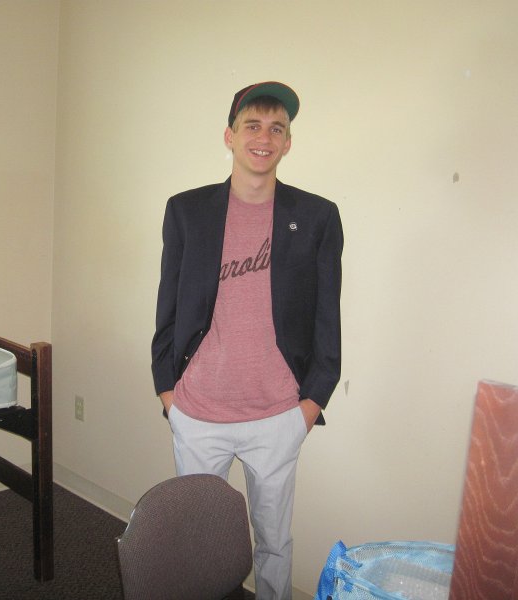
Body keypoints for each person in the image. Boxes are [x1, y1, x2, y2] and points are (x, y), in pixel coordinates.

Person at [151, 81, 343, 600]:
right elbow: (167, 306)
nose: (264, 137)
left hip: (277, 417)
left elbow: (329, 318)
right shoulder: (187, 211)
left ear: (287, 143)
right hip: (197, 413)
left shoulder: (319, 217)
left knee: (275, 545)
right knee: (194, 542)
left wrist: (310, 403)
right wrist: (168, 391)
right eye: (252, 126)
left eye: (276, 128)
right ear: (230, 136)